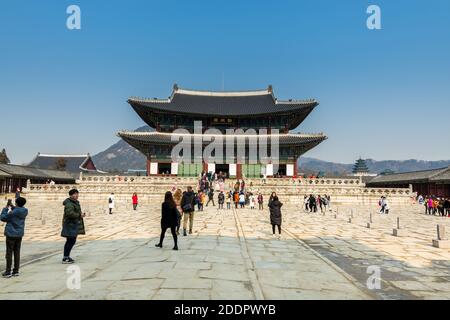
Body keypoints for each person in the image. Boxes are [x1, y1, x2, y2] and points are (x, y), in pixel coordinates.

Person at [1, 197, 28, 278]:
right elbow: (17, 210)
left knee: (9, 253)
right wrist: (12, 207)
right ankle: (16, 270)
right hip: (19, 234)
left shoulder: (13, 212)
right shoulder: (25, 210)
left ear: (16, 203)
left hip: (11, 234)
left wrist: (5, 209)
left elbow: (3, 218)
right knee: (17, 252)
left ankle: (8, 271)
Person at [61, 189, 86, 264]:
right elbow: (69, 213)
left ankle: (66, 256)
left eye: (77, 194)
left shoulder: (74, 202)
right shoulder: (69, 203)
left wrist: (80, 214)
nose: (77, 195)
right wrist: (79, 215)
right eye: (75, 194)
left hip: (73, 224)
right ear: (71, 195)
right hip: (70, 224)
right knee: (70, 241)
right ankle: (65, 257)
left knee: (71, 241)